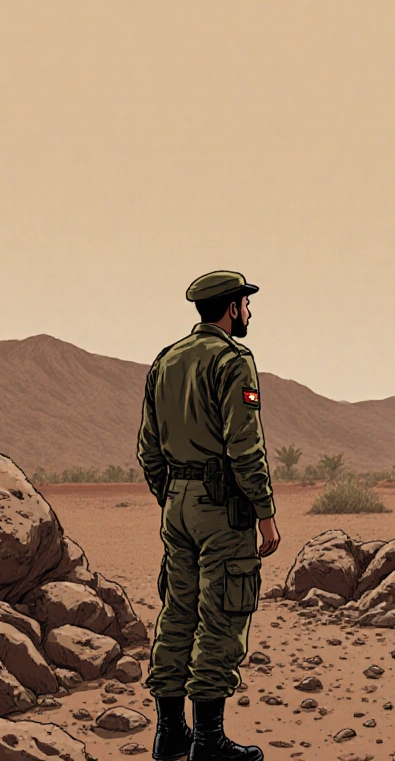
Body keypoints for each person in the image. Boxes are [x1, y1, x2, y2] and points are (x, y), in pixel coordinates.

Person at [138, 270, 283, 761]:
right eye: (245, 303)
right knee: (222, 614)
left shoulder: (166, 360)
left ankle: (169, 734)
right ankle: (207, 742)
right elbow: (245, 445)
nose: (249, 312)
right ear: (231, 307)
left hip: (177, 504)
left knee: (177, 613)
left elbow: (148, 446)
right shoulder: (232, 359)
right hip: (222, 507)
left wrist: (173, 493)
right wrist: (264, 511)